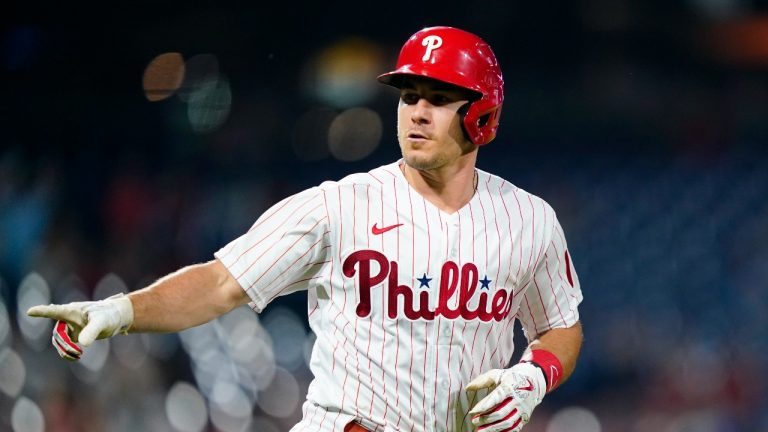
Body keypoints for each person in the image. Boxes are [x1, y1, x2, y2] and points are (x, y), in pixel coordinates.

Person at [28, 26, 584, 432]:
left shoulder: (527, 220)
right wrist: (120, 311)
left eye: (438, 99)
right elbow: (221, 283)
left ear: (481, 115)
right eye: (409, 95)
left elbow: (560, 326)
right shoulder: (338, 207)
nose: (416, 111)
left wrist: (531, 377)